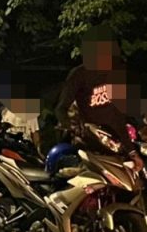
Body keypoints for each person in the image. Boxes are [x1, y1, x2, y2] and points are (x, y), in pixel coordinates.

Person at [54, 28, 140, 162]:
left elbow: (118, 117)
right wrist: (72, 126)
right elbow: (61, 108)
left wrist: (132, 152)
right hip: (87, 143)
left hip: (113, 144)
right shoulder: (80, 74)